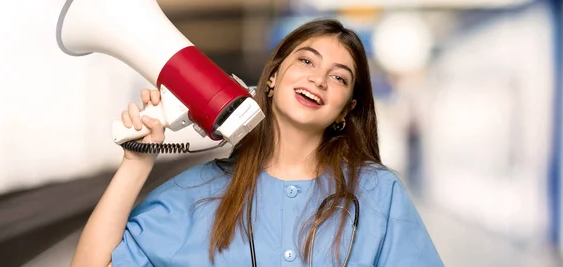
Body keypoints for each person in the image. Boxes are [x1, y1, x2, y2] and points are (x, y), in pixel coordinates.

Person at [70, 18, 444, 267]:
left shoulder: (379, 192)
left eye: (340, 78)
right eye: (307, 62)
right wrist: (138, 161)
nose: (319, 80)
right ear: (273, 76)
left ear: (346, 108)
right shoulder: (196, 192)